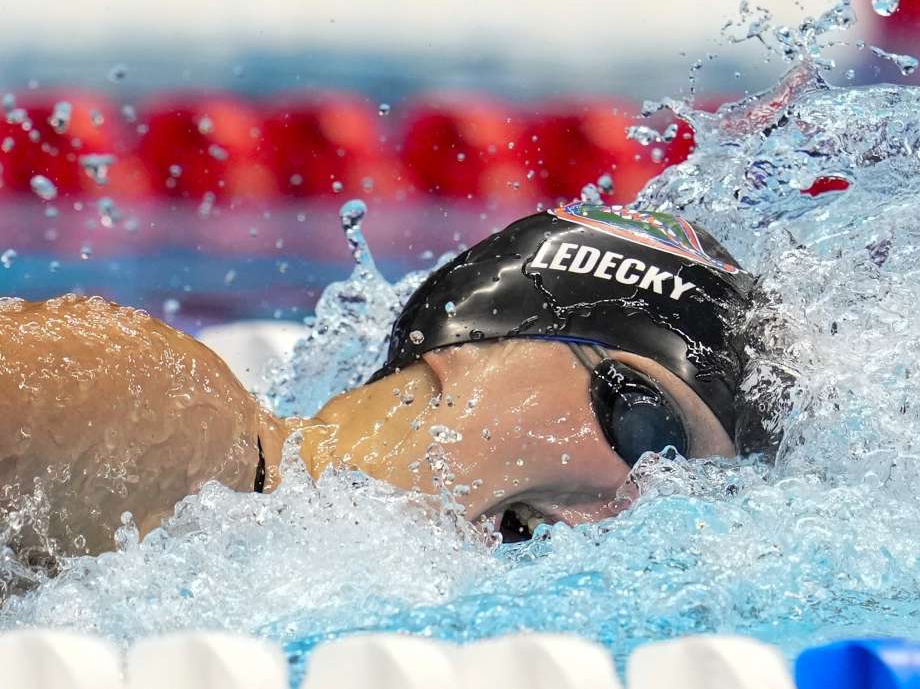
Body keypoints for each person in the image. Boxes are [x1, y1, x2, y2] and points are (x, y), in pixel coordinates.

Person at [0, 202, 772, 564]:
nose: (632, 509)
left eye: (683, 495)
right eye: (647, 430)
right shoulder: (169, 414)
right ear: (474, 344)